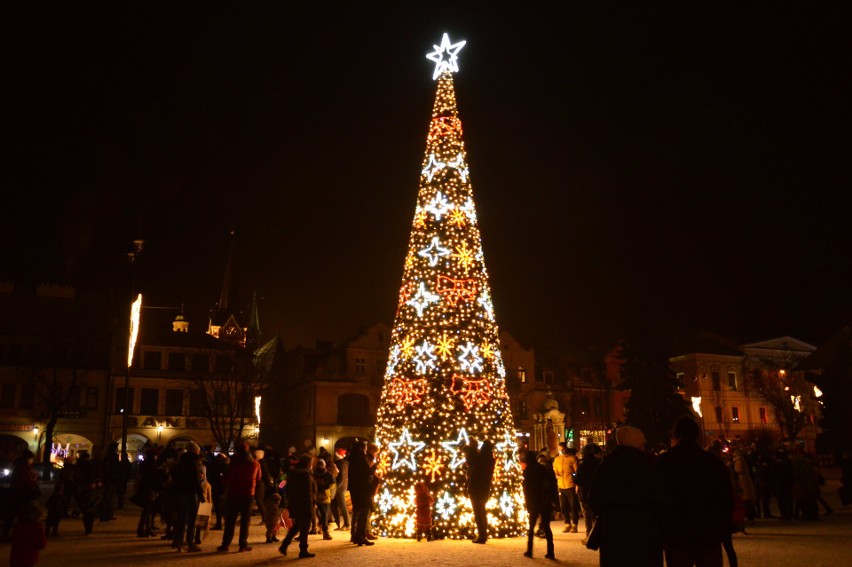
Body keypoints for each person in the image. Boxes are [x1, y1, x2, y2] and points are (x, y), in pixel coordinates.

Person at [656, 417, 734, 567]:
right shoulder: (712, 462)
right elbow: (725, 497)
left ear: (676, 435)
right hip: (708, 533)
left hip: (677, 535)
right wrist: (723, 526)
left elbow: (658, 499)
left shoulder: (663, 463)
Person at [588, 426, 665, 567]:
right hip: (645, 532)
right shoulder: (648, 464)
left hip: (614, 532)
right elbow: (660, 497)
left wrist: (608, 513)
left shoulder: (608, 464)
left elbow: (594, 497)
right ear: (638, 444)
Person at [217, 442, 261, 553]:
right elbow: (259, 477)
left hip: (234, 493)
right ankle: (242, 545)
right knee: (245, 521)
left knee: (230, 520)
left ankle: (225, 544)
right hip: (248, 493)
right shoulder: (255, 463)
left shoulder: (235, 463)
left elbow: (229, 478)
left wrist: (223, 478)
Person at [278, 455, 317, 558]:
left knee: (297, 526)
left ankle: (285, 545)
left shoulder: (293, 473)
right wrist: (311, 505)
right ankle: (303, 550)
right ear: (308, 463)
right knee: (304, 528)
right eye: (311, 462)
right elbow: (308, 492)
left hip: (295, 503)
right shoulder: (306, 475)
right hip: (305, 504)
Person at [522, 451, 556, 559]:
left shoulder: (528, 471)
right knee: (546, 527)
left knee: (531, 526)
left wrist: (528, 504)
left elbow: (527, 489)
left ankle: (529, 550)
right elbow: (551, 484)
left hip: (534, 501)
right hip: (545, 501)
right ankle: (550, 551)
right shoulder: (543, 469)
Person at [172, 442, 204, 552]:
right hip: (191, 492)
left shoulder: (181, 460)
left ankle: (180, 542)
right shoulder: (194, 460)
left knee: (182, 518)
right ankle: (190, 542)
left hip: (181, 492)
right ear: (196, 451)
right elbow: (195, 479)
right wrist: (200, 493)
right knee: (192, 519)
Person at [468, 440, 495, 544]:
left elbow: (470, 463)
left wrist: (472, 448)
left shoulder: (480, 458)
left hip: (476, 487)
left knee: (478, 512)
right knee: (482, 511)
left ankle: (481, 536)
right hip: (485, 488)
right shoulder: (490, 459)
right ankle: (484, 534)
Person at [347, 441, 375, 546]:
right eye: (366, 447)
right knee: (364, 513)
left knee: (358, 512)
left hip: (355, 490)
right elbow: (368, 472)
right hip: (363, 489)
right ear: (363, 448)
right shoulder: (361, 458)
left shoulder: (353, 458)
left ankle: (357, 536)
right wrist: (375, 466)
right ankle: (361, 536)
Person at [574, 442, 602, 545]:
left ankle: (589, 535)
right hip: (597, 492)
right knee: (596, 515)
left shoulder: (583, 465)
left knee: (587, 515)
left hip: (585, 493)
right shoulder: (600, 463)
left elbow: (578, 480)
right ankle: (597, 535)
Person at [10, 501, 47, 567]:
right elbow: (42, 544)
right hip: (29, 558)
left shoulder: (18, 525)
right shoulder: (37, 528)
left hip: (16, 557)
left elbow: (13, 538)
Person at [553, 442, 579, 533]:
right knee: (563, 506)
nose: (561, 451)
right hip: (561, 485)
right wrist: (556, 474)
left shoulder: (572, 458)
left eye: (562, 449)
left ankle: (575, 524)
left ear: (566, 448)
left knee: (573, 505)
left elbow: (577, 471)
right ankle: (567, 523)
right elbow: (554, 469)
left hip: (570, 484)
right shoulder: (557, 459)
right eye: (559, 450)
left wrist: (576, 482)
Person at [313, 458, 335, 540]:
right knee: (324, 514)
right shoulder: (314, 474)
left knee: (325, 514)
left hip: (326, 497)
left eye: (322, 464)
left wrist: (327, 487)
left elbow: (333, 483)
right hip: (318, 497)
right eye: (319, 464)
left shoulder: (328, 474)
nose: (321, 466)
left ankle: (322, 526)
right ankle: (325, 531)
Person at [99, 442, 119, 522]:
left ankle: (108, 514)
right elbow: (109, 469)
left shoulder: (111, 457)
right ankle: (104, 515)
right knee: (107, 498)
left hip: (111, 480)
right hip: (110, 480)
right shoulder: (110, 457)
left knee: (109, 498)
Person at [331, 446, 350, 531]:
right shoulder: (341, 463)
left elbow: (342, 478)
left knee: (342, 505)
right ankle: (337, 523)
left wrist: (336, 488)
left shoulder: (341, 463)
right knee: (336, 505)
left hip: (340, 488)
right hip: (340, 487)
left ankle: (347, 524)